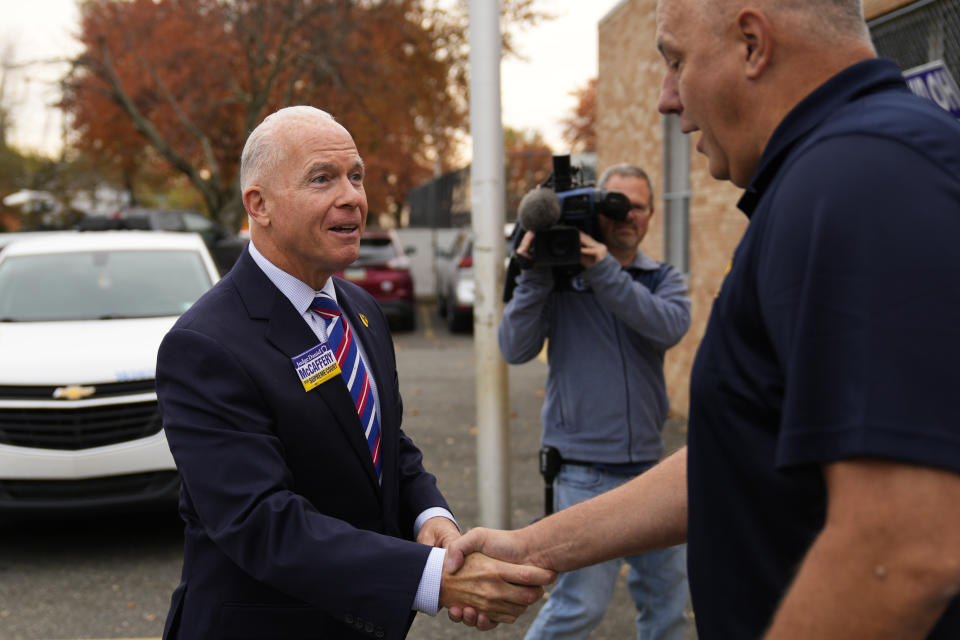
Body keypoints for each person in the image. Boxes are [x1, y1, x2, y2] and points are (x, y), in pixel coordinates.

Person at [446, 0, 960, 638]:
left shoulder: (861, 179)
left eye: (676, 61)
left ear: (751, 42)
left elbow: (902, 549)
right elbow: (736, 457)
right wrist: (534, 547)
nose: (667, 99)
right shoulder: (836, 174)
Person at [155, 106, 553, 640]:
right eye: (323, 178)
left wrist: (429, 518)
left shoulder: (360, 309)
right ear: (260, 205)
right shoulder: (203, 345)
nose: (353, 197)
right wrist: (435, 579)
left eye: (356, 176)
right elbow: (261, 522)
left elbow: (384, 442)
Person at [499, 163, 691, 639]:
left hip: (651, 471)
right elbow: (514, 348)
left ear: (650, 215)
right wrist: (535, 273)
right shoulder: (558, 280)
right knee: (578, 608)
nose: (626, 215)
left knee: (667, 610)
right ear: (594, 210)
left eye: (637, 207)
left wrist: (602, 270)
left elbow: (667, 326)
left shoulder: (662, 278)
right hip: (583, 471)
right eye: (615, 203)